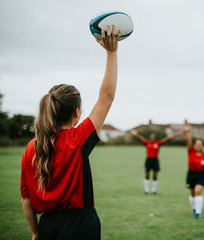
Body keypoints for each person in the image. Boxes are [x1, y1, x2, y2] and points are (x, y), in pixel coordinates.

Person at [20, 25, 121, 240]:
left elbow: (26, 199)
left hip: (48, 225)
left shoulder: (32, 147)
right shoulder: (78, 139)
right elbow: (107, 97)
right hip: (80, 226)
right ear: (77, 113)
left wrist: (36, 234)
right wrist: (111, 52)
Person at [127, 130, 181, 194]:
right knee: (147, 175)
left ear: (155, 138)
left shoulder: (158, 143)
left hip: (155, 160)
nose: (152, 138)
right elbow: (139, 137)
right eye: (151, 137)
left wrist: (177, 135)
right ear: (150, 138)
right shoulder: (147, 142)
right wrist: (131, 133)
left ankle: (153, 190)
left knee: (155, 176)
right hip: (148, 160)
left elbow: (167, 138)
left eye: (153, 137)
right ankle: (146, 190)